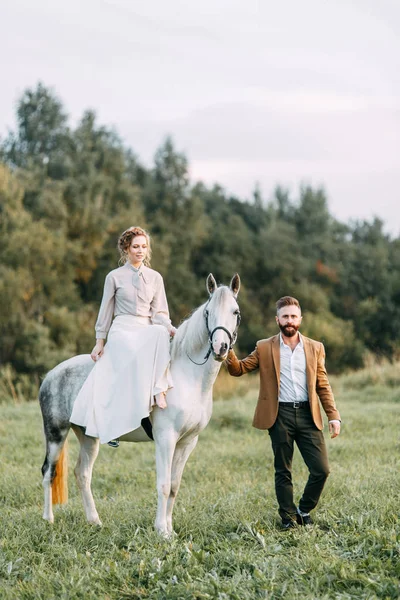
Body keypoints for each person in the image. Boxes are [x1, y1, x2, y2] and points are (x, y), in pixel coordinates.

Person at [226, 296, 341, 529]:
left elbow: (322, 384)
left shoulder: (315, 348)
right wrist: (227, 347)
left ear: (300, 319)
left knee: (321, 469)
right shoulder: (264, 347)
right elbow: (238, 369)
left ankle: (304, 509)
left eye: (293, 317)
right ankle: (288, 518)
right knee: (283, 469)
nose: (289, 321)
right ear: (277, 319)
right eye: (285, 316)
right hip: (280, 416)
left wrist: (333, 415)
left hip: (309, 415)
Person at [70, 226, 176, 447]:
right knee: (128, 348)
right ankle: (114, 421)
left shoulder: (155, 278)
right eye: (135, 247)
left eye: (144, 247)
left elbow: (159, 313)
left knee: (159, 333)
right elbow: (105, 311)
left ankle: (158, 391)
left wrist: (169, 326)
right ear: (126, 249)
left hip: (146, 326)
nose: (140, 251)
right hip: (122, 328)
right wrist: (100, 341)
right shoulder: (114, 277)